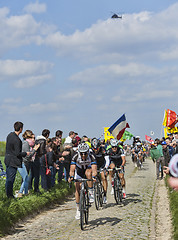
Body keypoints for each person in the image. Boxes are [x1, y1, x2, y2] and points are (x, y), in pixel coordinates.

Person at [69, 142, 97, 219]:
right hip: (79, 171)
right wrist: (71, 176)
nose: (83, 155)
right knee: (77, 188)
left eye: (85, 153)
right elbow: (72, 169)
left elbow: (94, 169)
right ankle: (78, 209)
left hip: (88, 169)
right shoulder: (75, 156)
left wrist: (94, 176)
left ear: (88, 152)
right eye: (81, 154)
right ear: (79, 153)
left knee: (89, 173)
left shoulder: (91, 156)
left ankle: (91, 192)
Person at [4, 122, 30, 198]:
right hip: (13, 161)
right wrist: (26, 153)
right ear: (21, 129)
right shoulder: (17, 140)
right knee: (11, 180)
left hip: (7, 159)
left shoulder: (9, 135)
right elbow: (18, 153)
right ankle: (10, 196)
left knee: (8, 179)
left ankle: (7, 195)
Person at [17, 130, 40, 197]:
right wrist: (34, 149)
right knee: (25, 177)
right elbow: (28, 155)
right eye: (32, 138)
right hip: (24, 162)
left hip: (27, 162)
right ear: (29, 137)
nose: (34, 140)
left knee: (25, 178)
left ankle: (25, 192)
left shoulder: (29, 144)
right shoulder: (26, 143)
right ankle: (21, 192)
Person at [28, 129, 50, 193]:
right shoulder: (43, 140)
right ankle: (38, 189)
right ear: (47, 135)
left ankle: (29, 187)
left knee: (32, 174)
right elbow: (42, 151)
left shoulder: (37, 139)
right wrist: (46, 151)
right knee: (39, 174)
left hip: (34, 157)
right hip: (39, 157)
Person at [91, 138, 110, 204]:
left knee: (103, 177)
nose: (95, 150)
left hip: (102, 165)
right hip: (94, 166)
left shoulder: (103, 150)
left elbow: (107, 159)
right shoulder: (90, 151)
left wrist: (105, 167)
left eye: (97, 149)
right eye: (94, 149)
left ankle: (104, 195)